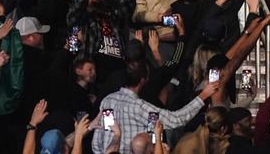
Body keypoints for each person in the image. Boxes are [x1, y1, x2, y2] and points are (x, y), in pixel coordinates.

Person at [92, 60, 220, 154]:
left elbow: (97, 144)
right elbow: (176, 119)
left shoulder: (107, 101)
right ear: (143, 80)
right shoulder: (139, 107)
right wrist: (203, 95)